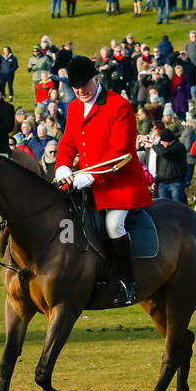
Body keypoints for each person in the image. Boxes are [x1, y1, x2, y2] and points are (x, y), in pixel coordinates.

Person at [53, 55, 150, 307]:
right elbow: (67, 143)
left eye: (85, 85)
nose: (80, 91)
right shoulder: (74, 107)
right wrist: (63, 164)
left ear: (97, 78)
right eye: (75, 88)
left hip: (120, 182)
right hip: (87, 182)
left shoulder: (119, 105)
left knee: (113, 226)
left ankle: (128, 283)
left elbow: (121, 151)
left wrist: (92, 175)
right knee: (66, 217)